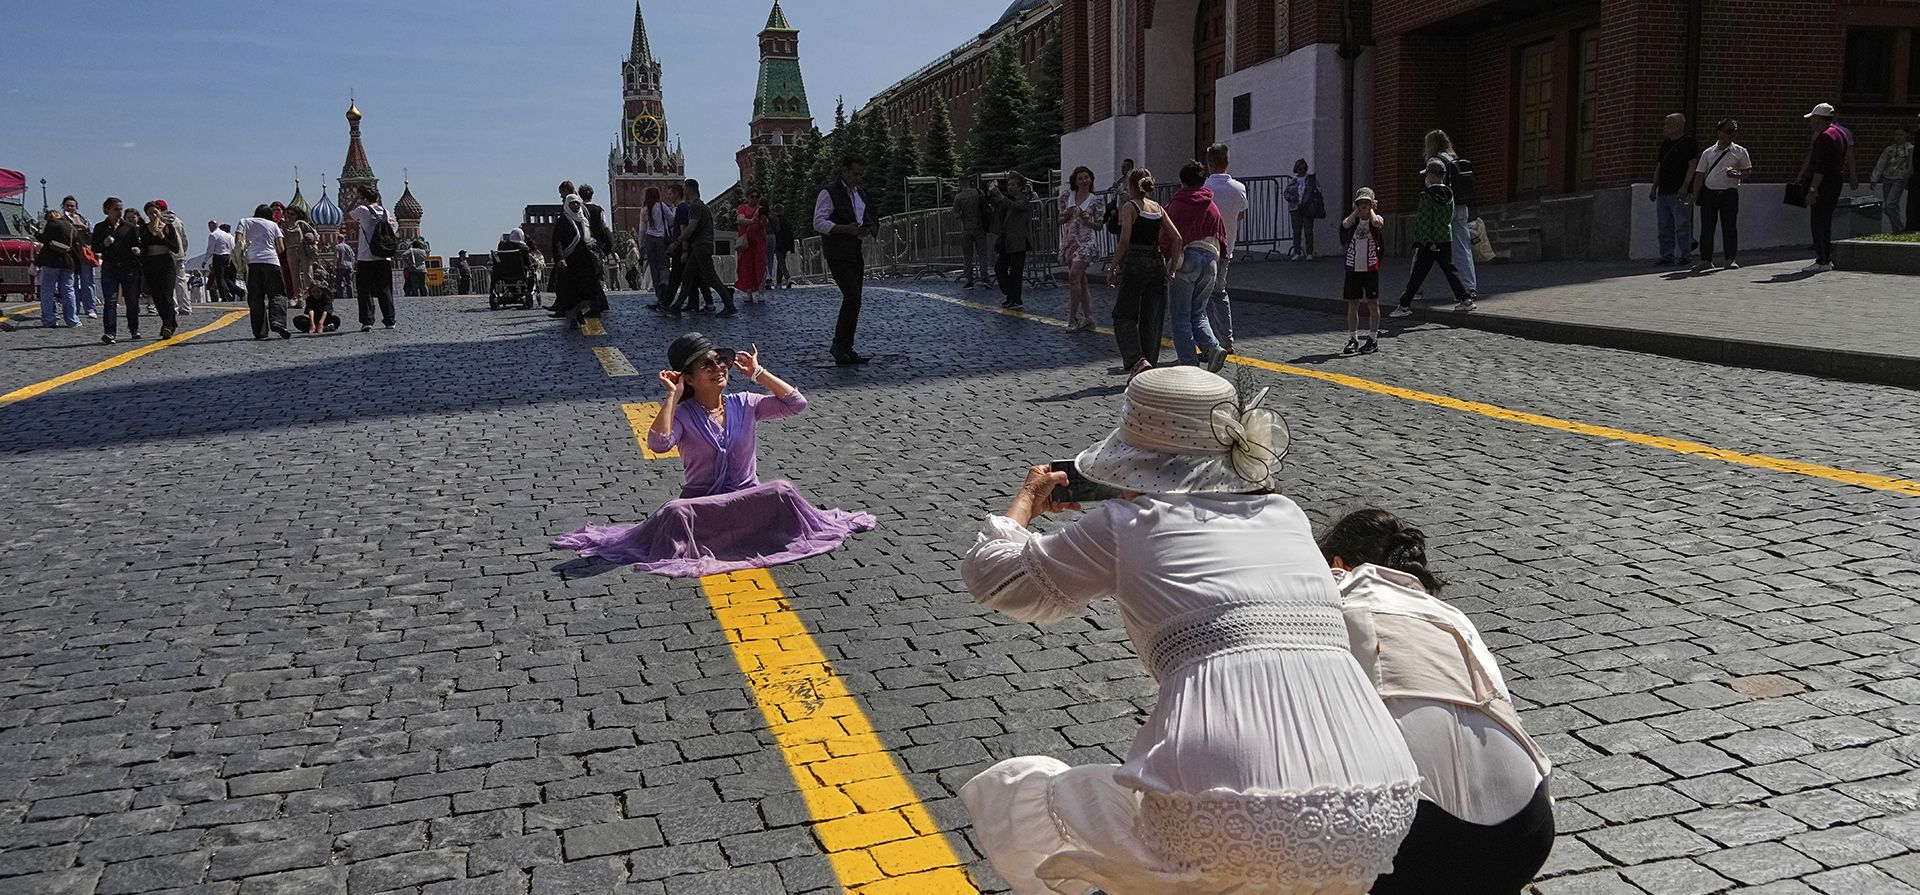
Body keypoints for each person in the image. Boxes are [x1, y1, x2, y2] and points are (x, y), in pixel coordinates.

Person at [958, 366, 1421, 895]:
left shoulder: (1125, 525)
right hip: (1377, 798)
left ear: (1132, 462)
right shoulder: (1286, 515)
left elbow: (997, 579)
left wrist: (1026, 502)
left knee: (1024, 790)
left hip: (1230, 811)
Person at [1321, 509, 1555, 895]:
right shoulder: (1452, 618)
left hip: (1417, 842)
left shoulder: (1335, 601)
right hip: (1527, 829)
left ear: (1337, 564)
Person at [552, 333, 876, 576]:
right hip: (703, 509)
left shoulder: (745, 403)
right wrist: (671, 396)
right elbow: (660, 444)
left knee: (782, 489)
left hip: (747, 502)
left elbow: (796, 404)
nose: (718, 367)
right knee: (675, 511)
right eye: (706, 365)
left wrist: (758, 372)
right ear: (688, 378)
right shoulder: (682, 414)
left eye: (720, 361)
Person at [1108, 168, 1179, 378]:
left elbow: (1125, 240)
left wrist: (1113, 265)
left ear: (1130, 186)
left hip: (1136, 262)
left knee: (1123, 315)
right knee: (1151, 319)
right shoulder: (1157, 207)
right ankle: (1148, 369)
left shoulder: (1130, 207)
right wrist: (1172, 268)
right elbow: (1177, 238)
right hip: (1157, 263)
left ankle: (1136, 359)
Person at [1164, 160, 1229, 371]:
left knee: (1180, 314)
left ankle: (1189, 363)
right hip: (1211, 260)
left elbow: (1168, 236)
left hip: (1187, 260)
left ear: (1182, 182)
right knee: (1199, 312)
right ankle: (1213, 348)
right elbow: (1222, 236)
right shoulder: (1212, 205)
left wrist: (1167, 262)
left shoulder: (1177, 204)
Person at [815, 156, 878, 364]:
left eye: (861, 174)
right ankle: (838, 344)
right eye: (855, 173)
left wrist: (867, 228)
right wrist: (844, 229)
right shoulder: (829, 192)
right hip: (837, 251)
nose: (858, 178)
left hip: (854, 250)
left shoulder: (861, 193)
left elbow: (869, 214)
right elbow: (819, 222)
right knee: (852, 295)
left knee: (855, 298)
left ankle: (846, 346)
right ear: (844, 171)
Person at [1395, 160, 1475, 320]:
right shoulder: (1450, 194)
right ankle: (1466, 299)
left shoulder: (1426, 196)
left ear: (1431, 175)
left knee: (1418, 274)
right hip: (1446, 237)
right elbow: (1450, 217)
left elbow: (1424, 220)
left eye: (1427, 174)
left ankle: (1404, 305)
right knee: (1451, 270)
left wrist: (1426, 240)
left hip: (1430, 241)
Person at [1685, 118, 1751, 273]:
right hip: (1709, 193)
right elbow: (1700, 174)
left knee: (1729, 227)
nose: (1732, 135)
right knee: (1707, 228)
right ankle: (1705, 260)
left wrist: (1738, 174)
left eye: (1734, 132)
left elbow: (1747, 171)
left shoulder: (1740, 152)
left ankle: (1730, 259)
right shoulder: (1708, 153)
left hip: (1729, 193)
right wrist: (1695, 194)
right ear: (1719, 132)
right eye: (1728, 131)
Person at [1798, 103, 1855, 273]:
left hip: (1823, 184)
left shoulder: (1824, 137)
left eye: (1813, 118)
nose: (1810, 122)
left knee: (1818, 221)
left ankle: (1822, 258)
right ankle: (1825, 258)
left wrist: (1812, 190)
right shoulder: (1841, 133)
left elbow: (1820, 166)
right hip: (1835, 181)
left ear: (1819, 119)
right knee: (1826, 219)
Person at [1422, 130, 1479, 301]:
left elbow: (1432, 186)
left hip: (1443, 209)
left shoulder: (1434, 161)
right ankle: (1469, 287)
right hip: (1461, 205)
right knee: (1463, 247)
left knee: (1426, 248)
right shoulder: (1455, 158)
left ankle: (1416, 288)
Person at [1203, 145, 1248, 353]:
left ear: (1209, 163)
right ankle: (1226, 340)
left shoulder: (1204, 188)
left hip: (1205, 247)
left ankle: (1206, 341)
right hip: (1226, 246)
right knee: (1220, 292)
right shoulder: (1239, 188)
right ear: (1227, 162)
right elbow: (1240, 214)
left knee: (1200, 296)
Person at [670, 179, 738, 319]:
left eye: (685, 189)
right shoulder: (703, 206)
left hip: (701, 245)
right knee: (687, 275)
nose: (684, 192)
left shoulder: (695, 207)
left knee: (711, 277)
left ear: (689, 189)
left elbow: (690, 228)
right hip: (701, 245)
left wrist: (677, 242)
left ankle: (729, 304)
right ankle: (676, 307)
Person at [1058, 166, 1103, 333]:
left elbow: (1099, 225)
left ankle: (1072, 317)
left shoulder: (1095, 200)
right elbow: (1060, 218)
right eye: (1080, 178)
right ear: (1075, 181)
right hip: (1070, 242)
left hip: (1086, 243)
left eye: (1086, 177)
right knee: (1081, 280)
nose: (1084, 181)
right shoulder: (1066, 197)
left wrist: (1088, 220)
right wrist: (1066, 216)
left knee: (1073, 277)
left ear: (1090, 179)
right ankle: (1089, 318)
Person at [348, 186, 399, 331]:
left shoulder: (362, 210)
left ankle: (367, 321)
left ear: (364, 198)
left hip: (366, 257)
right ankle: (389, 320)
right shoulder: (385, 211)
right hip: (384, 256)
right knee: (385, 289)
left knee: (365, 290)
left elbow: (347, 213)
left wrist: (356, 199)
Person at [1342, 188, 1386, 355]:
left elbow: (1377, 223)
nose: (1363, 209)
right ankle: (1353, 338)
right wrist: (1355, 212)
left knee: (1372, 303)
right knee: (1353, 303)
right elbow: (1345, 224)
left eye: (1366, 205)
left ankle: (1373, 338)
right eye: (1361, 205)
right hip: (1353, 267)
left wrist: (1372, 210)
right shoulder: (1354, 221)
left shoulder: (1376, 218)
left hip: (1370, 267)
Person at [1650, 113, 1698, 265]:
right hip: (1663, 191)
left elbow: (1692, 166)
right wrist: (1654, 188)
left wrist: (1685, 186)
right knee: (1664, 226)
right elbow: (1659, 166)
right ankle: (1667, 255)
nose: (1664, 127)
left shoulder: (1689, 143)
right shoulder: (1665, 145)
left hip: (1679, 192)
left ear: (1677, 126)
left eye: (1667, 124)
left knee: (1682, 224)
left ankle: (1685, 254)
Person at [92, 197, 142, 343]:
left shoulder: (129, 227)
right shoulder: (100, 227)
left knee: (132, 301)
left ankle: (134, 329)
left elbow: (138, 245)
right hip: (110, 267)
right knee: (110, 301)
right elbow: (95, 248)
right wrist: (104, 244)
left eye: (120, 209)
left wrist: (137, 249)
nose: (119, 212)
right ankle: (110, 332)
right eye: (116, 209)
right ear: (107, 210)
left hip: (128, 266)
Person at [237, 204, 290, 340]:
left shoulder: (245, 221)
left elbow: (238, 241)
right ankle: (278, 322)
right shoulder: (273, 225)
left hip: (253, 263)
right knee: (277, 294)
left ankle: (260, 331)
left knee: (256, 298)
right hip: (271, 262)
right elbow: (281, 247)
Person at [549, 194, 602, 325]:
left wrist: (592, 242)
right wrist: (560, 258)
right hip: (569, 262)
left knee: (589, 291)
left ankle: (578, 311)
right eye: (572, 203)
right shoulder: (562, 221)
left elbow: (591, 236)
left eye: (577, 203)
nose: (575, 206)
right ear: (567, 205)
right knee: (571, 293)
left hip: (584, 261)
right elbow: (557, 241)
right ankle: (572, 318)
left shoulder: (584, 220)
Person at [135, 202, 182, 340]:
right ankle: (168, 322)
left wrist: (162, 237)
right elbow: (143, 247)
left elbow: (175, 248)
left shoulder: (168, 228)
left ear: (160, 212)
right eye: (150, 213)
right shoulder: (144, 229)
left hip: (166, 263)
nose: (153, 215)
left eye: (155, 212)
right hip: (151, 263)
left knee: (166, 294)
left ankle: (168, 325)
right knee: (157, 297)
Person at [989, 176, 1034, 310]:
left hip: (1018, 241)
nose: (1010, 187)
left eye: (1014, 185)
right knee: (999, 268)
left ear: (1020, 187)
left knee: (1016, 272)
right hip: (1007, 241)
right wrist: (991, 192)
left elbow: (1016, 206)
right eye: (1009, 185)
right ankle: (1010, 294)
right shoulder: (1007, 201)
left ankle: (1015, 299)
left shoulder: (1023, 200)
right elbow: (998, 203)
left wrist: (1001, 196)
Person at [33, 208, 81, 328]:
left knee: (48, 290)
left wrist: (36, 233)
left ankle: (49, 319)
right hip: (68, 261)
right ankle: (72, 320)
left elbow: (45, 239)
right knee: (68, 290)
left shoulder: (52, 224)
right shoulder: (70, 227)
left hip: (52, 261)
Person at [60, 196, 98, 319]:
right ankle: (74, 308)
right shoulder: (61, 220)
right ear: (63, 207)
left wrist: (83, 227)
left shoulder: (84, 219)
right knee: (72, 282)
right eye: (67, 205)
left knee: (88, 281)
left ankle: (90, 308)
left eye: (72, 206)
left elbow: (93, 235)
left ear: (76, 207)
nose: (70, 208)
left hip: (84, 252)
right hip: (70, 254)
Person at [579, 184, 614, 315]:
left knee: (589, 276)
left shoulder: (579, 210)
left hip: (585, 246)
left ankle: (596, 305)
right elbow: (606, 228)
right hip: (599, 246)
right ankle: (601, 303)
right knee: (596, 275)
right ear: (592, 195)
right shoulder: (599, 210)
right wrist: (609, 247)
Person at [1871, 127, 1912, 234]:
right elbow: (1881, 164)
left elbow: (1911, 165)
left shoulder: (1910, 148)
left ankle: (1900, 228)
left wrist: (1908, 177)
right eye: (1896, 135)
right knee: (1893, 206)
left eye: (1901, 135)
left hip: (1900, 178)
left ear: (1906, 135)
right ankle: (1896, 230)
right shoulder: (1889, 149)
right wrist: (1874, 178)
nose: (1898, 138)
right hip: (1887, 178)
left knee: (1889, 205)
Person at [953, 181, 990, 289]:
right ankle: (984, 277)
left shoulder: (959, 197)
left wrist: (963, 214)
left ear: (961, 185)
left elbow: (956, 215)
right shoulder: (978, 193)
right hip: (979, 227)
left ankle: (969, 279)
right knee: (982, 254)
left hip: (967, 229)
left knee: (967, 255)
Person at [734, 191, 769, 301]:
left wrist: (763, 219)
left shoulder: (761, 209)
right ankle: (749, 292)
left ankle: (761, 291)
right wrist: (752, 221)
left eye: (757, 196)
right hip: (746, 242)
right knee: (746, 267)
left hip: (759, 241)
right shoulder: (742, 208)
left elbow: (766, 223)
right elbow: (740, 219)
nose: (754, 198)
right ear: (748, 197)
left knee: (760, 266)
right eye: (752, 196)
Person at [158, 200, 190, 317]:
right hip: (179, 254)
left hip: (167, 254)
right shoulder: (178, 221)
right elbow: (184, 238)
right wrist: (183, 251)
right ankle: (185, 306)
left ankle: (173, 307)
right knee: (181, 281)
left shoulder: (159, 220)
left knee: (168, 283)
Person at [283, 206, 320, 311]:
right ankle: (300, 299)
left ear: (297, 215)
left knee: (308, 274)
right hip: (290, 251)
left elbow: (315, 234)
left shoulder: (301, 224)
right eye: (287, 213)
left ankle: (311, 297)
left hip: (303, 249)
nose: (289, 216)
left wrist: (314, 243)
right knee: (294, 276)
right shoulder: (283, 226)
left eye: (292, 214)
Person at [1284, 159, 1318, 261]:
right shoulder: (1293, 181)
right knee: (1296, 231)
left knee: (1308, 230)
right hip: (1295, 208)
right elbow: (1286, 193)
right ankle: (1297, 252)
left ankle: (1309, 253)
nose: (1302, 170)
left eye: (1303, 168)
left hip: (1308, 207)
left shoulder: (1311, 180)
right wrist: (1292, 199)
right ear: (1296, 169)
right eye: (1300, 168)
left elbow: (1317, 191)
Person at [641, 186, 672, 296]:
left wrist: (641, 245)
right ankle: (664, 282)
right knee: (663, 264)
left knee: (653, 266)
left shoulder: (644, 209)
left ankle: (659, 294)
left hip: (649, 239)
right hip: (661, 239)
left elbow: (642, 230)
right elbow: (671, 219)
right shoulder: (662, 206)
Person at [206, 220, 238, 303]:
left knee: (220, 278)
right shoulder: (230, 237)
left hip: (219, 256)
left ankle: (227, 296)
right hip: (230, 257)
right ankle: (232, 295)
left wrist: (205, 260)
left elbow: (210, 249)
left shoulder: (214, 235)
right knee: (230, 278)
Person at [769, 203, 795, 289]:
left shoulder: (773, 220)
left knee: (781, 262)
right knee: (781, 261)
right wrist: (792, 247)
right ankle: (779, 282)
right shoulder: (786, 220)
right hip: (785, 244)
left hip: (777, 244)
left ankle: (787, 278)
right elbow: (790, 233)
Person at [332, 234, 355, 309]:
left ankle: (340, 296)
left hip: (341, 266)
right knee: (349, 282)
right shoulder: (348, 247)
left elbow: (337, 257)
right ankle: (351, 296)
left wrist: (334, 266)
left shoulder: (337, 247)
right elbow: (353, 256)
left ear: (338, 239)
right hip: (349, 266)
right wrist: (352, 265)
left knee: (338, 282)